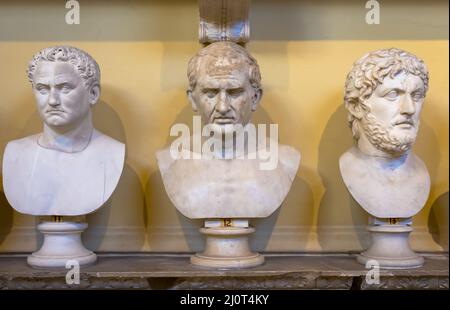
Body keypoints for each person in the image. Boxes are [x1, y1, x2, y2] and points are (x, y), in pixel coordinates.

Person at [157, 41, 300, 219]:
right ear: (193, 99)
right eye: (210, 93)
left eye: (234, 93)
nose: (223, 107)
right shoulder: (169, 161)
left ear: (255, 98)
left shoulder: (285, 161)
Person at [2, 46, 125, 216]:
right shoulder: (16, 153)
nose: (52, 100)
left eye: (65, 88)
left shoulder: (112, 152)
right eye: (43, 89)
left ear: (93, 93)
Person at [339, 48, 430, 218]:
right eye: (393, 94)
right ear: (356, 106)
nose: (409, 109)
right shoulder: (349, 168)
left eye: (416, 95)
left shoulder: (422, 175)